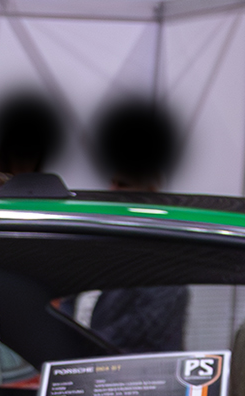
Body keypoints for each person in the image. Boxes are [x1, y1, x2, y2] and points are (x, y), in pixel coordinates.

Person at [89, 98, 188, 354]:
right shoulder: (102, 237)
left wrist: (80, 341)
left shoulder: (165, 247)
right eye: (112, 182)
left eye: (122, 184)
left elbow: (147, 323)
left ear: (148, 191)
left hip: (134, 376)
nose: (112, 190)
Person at [0, 94, 62, 188]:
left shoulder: (47, 189)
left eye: (30, 155)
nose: (24, 163)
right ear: (6, 154)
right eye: (19, 153)